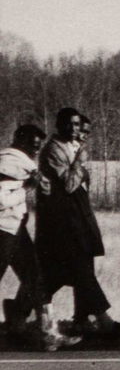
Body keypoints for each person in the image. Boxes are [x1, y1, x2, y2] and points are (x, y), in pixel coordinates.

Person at [33, 107, 116, 336]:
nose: (74, 129)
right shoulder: (54, 150)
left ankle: (81, 319)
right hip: (64, 220)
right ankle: (105, 322)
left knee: (74, 270)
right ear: (59, 125)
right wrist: (80, 161)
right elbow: (69, 184)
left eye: (77, 125)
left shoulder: (72, 146)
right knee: (79, 270)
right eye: (69, 124)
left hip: (78, 216)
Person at [0, 124, 79, 351]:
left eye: (37, 146)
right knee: (34, 278)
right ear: (19, 141)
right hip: (4, 230)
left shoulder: (20, 163)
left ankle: (48, 333)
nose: (35, 150)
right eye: (31, 145)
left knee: (35, 278)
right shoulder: (8, 163)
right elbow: (2, 200)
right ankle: (43, 331)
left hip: (15, 228)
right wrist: (27, 188)